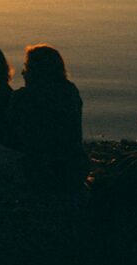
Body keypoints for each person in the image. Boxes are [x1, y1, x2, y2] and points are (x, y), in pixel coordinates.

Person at [7, 44, 87, 192]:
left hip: (38, 171)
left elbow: (12, 133)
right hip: (76, 169)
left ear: (34, 70)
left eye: (26, 67)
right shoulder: (70, 91)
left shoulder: (22, 97)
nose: (23, 73)